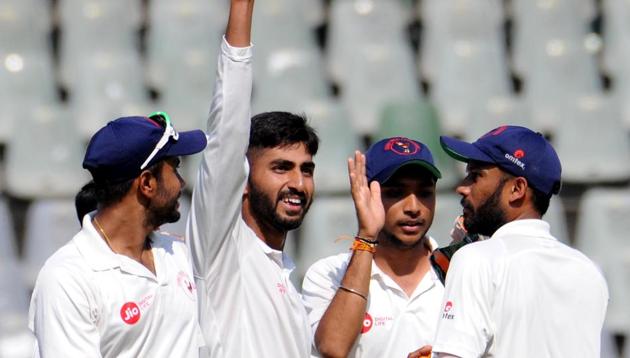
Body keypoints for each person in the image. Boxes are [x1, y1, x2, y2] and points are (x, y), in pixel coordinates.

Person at [186, 0, 320, 356]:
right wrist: (242, 10)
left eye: (306, 169)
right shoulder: (223, 250)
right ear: (243, 180)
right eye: (281, 168)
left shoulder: (285, 273)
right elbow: (227, 129)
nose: (298, 183)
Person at [418, 125, 609, 357]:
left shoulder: (475, 259)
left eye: (476, 175)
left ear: (517, 189)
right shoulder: (588, 271)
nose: (462, 187)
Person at [28, 111, 208, 357]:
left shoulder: (181, 254)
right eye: (175, 169)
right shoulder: (67, 279)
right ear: (147, 183)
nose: (182, 183)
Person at [301, 137, 445, 357]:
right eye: (395, 193)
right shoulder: (329, 274)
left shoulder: (457, 272)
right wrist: (367, 235)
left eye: (425, 193)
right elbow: (333, 349)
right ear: (366, 196)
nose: (414, 208)